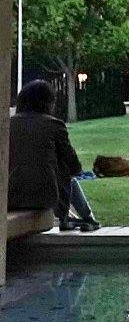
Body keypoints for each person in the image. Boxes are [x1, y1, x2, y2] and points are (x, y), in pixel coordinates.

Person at [7, 79, 100, 232]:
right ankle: (86, 217)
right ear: (48, 102)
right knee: (64, 168)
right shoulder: (54, 124)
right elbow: (73, 164)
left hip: (10, 196)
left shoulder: (8, 124)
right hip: (44, 196)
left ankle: (71, 217)